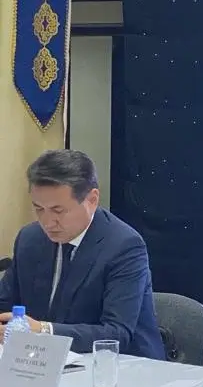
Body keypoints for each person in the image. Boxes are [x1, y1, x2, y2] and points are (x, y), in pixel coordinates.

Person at [0, 149, 165, 359]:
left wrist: (44, 331)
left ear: (92, 200)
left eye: (58, 210)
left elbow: (116, 333)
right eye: (39, 209)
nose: (47, 222)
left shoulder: (124, 246)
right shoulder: (29, 239)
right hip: (43, 363)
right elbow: (5, 304)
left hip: (121, 366)